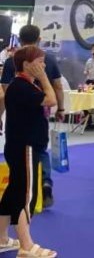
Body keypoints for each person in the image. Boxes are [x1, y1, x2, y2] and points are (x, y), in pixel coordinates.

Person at [0, 45, 58, 257]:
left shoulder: (23, 86)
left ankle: (1, 238)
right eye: (39, 62)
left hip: (22, 145)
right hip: (26, 147)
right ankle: (26, 246)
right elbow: (51, 100)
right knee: (25, 195)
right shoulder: (22, 86)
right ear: (26, 64)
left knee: (13, 191)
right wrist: (44, 78)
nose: (43, 65)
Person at [0, 25, 64, 209]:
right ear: (39, 38)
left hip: (16, 119)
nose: (41, 65)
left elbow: (4, 93)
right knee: (39, 151)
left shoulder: (12, 61)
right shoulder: (48, 59)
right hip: (36, 118)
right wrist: (61, 108)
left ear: (20, 38)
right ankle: (45, 183)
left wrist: (1, 115)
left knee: (21, 163)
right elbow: (57, 87)